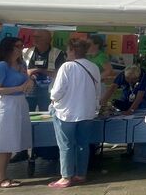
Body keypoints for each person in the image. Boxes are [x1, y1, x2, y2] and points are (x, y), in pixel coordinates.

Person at [47, 39, 101, 188]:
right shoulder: (94, 67)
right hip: (87, 111)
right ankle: (80, 174)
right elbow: (98, 91)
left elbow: (57, 92)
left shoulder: (67, 66)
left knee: (66, 145)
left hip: (67, 112)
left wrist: (52, 99)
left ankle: (66, 177)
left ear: (71, 50)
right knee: (83, 144)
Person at [0, 37, 34, 188]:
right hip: (7, 104)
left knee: (11, 141)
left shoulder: (22, 64)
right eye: (18, 46)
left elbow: (26, 83)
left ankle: (4, 176)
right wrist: (19, 89)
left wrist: (29, 82)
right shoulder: (2, 66)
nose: (21, 49)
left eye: (22, 45)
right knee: (4, 142)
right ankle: (1, 178)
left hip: (20, 103)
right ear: (9, 48)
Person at [22, 29, 66, 112]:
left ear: (48, 39)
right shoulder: (25, 51)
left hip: (48, 91)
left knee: (46, 115)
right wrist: (30, 74)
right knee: (26, 115)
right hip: (29, 89)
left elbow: (60, 74)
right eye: (34, 36)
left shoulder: (58, 53)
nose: (34, 39)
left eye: (38, 37)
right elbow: (20, 71)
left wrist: (38, 70)